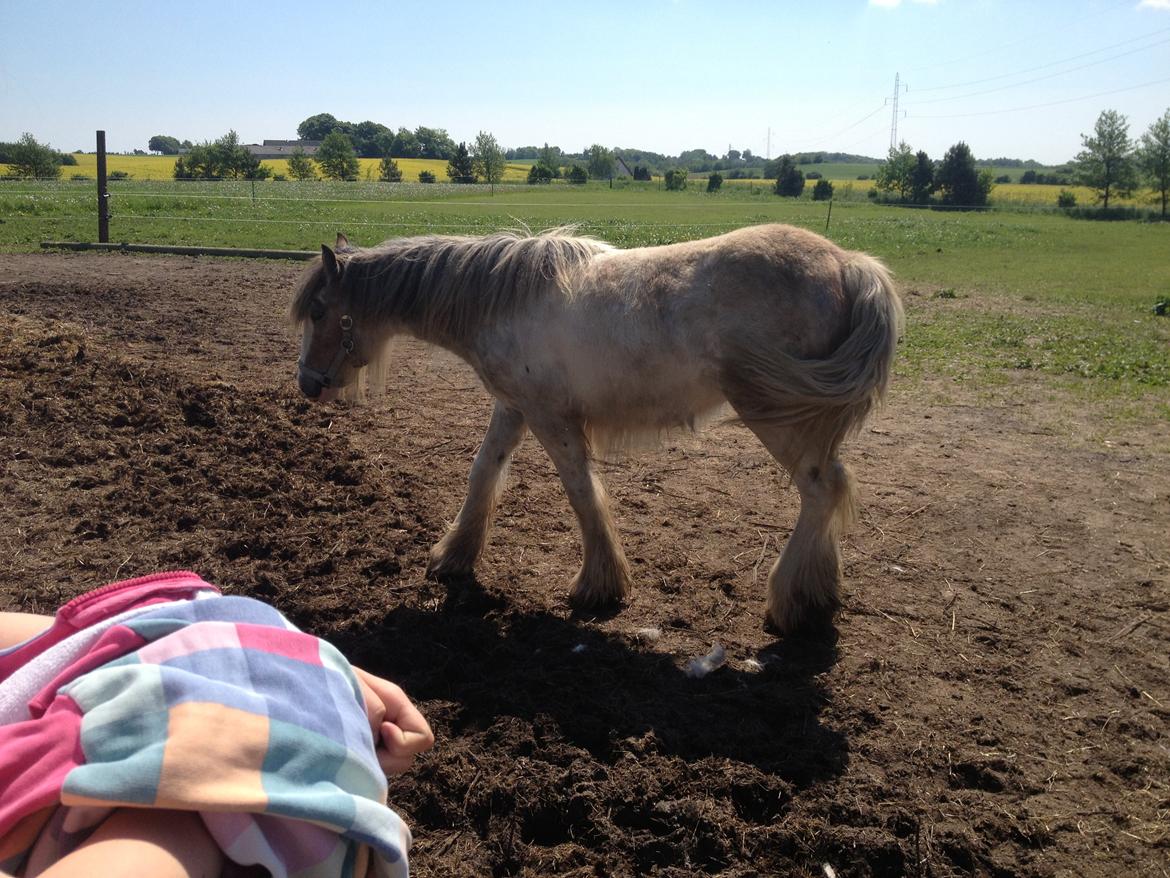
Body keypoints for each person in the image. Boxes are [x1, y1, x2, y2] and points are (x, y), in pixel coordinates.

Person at [0, 571, 433, 878]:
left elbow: (60, 647)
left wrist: (271, 658)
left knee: (174, 821)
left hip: (214, 679)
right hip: (237, 670)